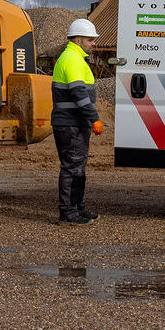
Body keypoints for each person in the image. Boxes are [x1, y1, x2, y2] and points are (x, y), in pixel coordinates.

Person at [52, 18, 104, 225]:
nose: (93, 43)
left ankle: (77, 209)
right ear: (78, 39)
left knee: (77, 168)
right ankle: (68, 213)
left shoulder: (74, 58)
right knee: (72, 168)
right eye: (90, 39)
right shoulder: (71, 59)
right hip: (70, 124)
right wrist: (95, 119)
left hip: (74, 123)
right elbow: (79, 93)